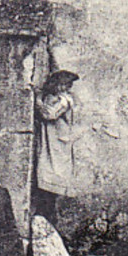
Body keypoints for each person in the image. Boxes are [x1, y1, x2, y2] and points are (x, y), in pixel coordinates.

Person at [32, 69, 80, 222]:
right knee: (45, 186)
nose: (64, 88)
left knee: (49, 184)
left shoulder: (64, 100)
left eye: (67, 86)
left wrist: (37, 100)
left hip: (57, 147)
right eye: (62, 85)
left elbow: (49, 114)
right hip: (51, 144)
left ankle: (46, 222)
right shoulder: (54, 97)